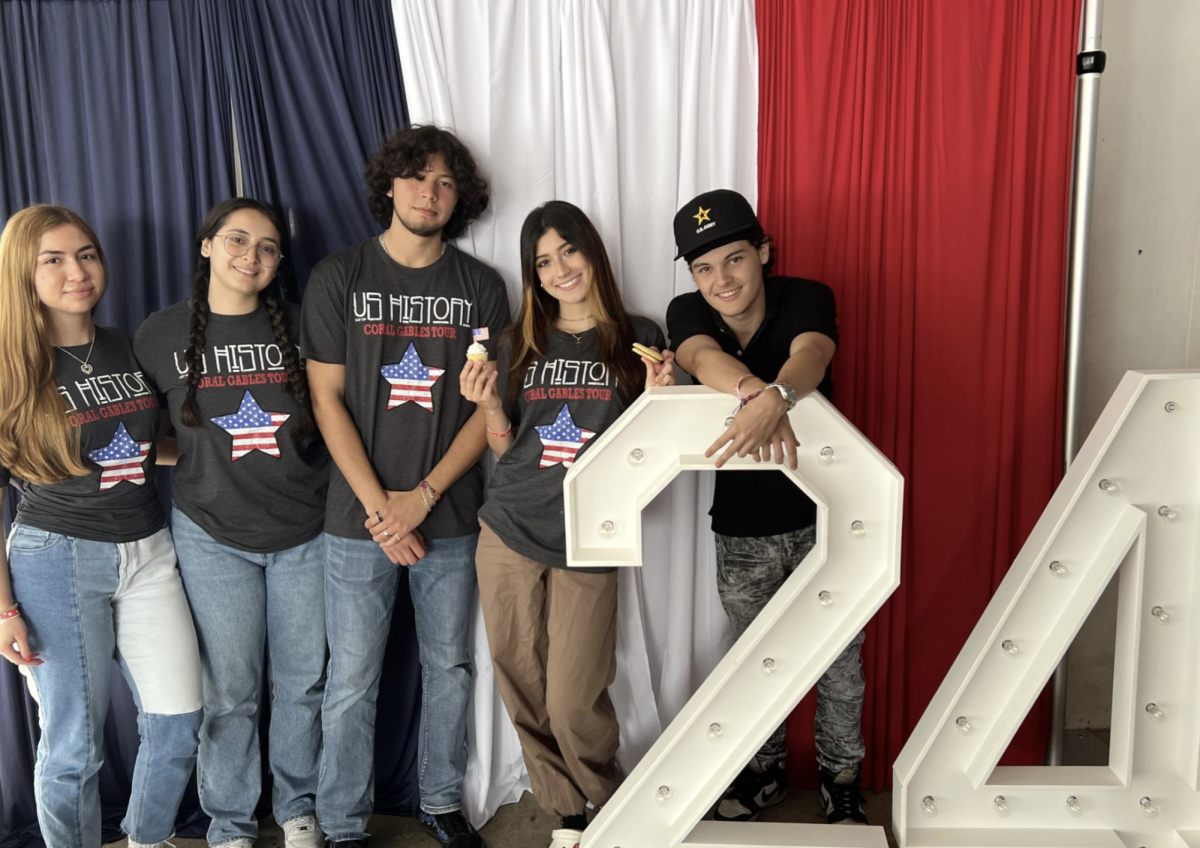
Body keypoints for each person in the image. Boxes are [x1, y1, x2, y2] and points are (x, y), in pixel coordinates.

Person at [301, 125, 510, 848]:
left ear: (462, 200)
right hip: (354, 518)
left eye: (447, 183)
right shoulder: (339, 277)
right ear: (389, 185)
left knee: (448, 666)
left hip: (450, 513)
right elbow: (325, 399)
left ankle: (442, 800)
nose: (431, 192)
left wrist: (419, 498)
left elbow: (489, 413)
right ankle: (341, 822)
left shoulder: (481, 287)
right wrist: (381, 509)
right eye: (418, 177)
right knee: (352, 678)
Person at [461, 201, 674, 848]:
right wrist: (491, 405)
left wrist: (661, 405)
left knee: (575, 695)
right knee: (518, 675)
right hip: (508, 525)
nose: (559, 270)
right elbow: (506, 446)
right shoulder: (517, 341)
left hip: (592, 529)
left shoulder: (637, 334)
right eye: (543, 261)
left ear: (592, 252)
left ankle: (608, 802)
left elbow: (654, 454)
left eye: (568, 252)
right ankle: (567, 814)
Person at [0, 205, 203, 848]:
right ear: (22, 274)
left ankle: (146, 839)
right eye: (53, 260)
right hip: (54, 556)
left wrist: (218, 449)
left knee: (179, 719)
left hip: (148, 549)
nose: (76, 271)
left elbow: (148, 445)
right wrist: (3, 608)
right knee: (71, 748)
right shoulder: (10, 366)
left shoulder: (127, 344)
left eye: (86, 254)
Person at [664, 190, 867, 825]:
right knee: (756, 657)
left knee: (840, 661)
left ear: (763, 253)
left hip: (828, 513)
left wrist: (781, 391)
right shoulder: (686, 311)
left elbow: (813, 354)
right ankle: (767, 772)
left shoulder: (807, 294)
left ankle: (842, 781)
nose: (720, 279)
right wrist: (758, 395)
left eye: (734, 259)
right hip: (743, 524)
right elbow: (700, 358)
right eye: (704, 268)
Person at [134, 198, 330, 848]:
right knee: (231, 692)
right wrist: (192, 452)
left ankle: (298, 810)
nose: (251, 256)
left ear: (279, 263)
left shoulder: (307, 328)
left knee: (303, 682)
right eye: (238, 240)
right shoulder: (158, 334)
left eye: (268, 247)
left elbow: (341, 422)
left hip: (307, 528)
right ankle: (230, 824)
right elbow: (143, 437)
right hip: (211, 534)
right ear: (207, 246)